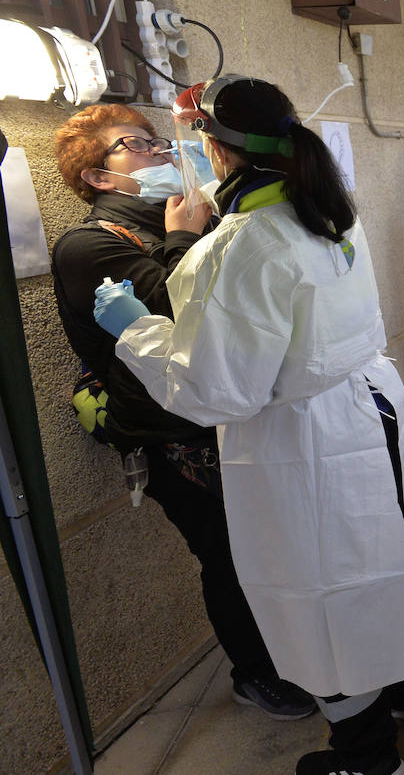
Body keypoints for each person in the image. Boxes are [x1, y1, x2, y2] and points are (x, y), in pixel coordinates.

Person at [93, 77, 404, 775]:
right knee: (374, 559)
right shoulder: (325, 207)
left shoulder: (245, 243)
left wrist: (136, 332)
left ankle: (367, 757)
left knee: (320, 591)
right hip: (364, 409)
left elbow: (218, 388)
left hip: (302, 440)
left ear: (218, 151)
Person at [48, 104, 315, 721]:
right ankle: (257, 672)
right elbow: (174, 317)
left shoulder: (204, 216)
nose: (159, 150)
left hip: (230, 408)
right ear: (99, 177)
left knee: (270, 542)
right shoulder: (90, 244)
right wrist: (184, 239)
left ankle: (295, 649)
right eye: (133, 145)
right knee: (226, 552)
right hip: (170, 433)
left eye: (154, 138)